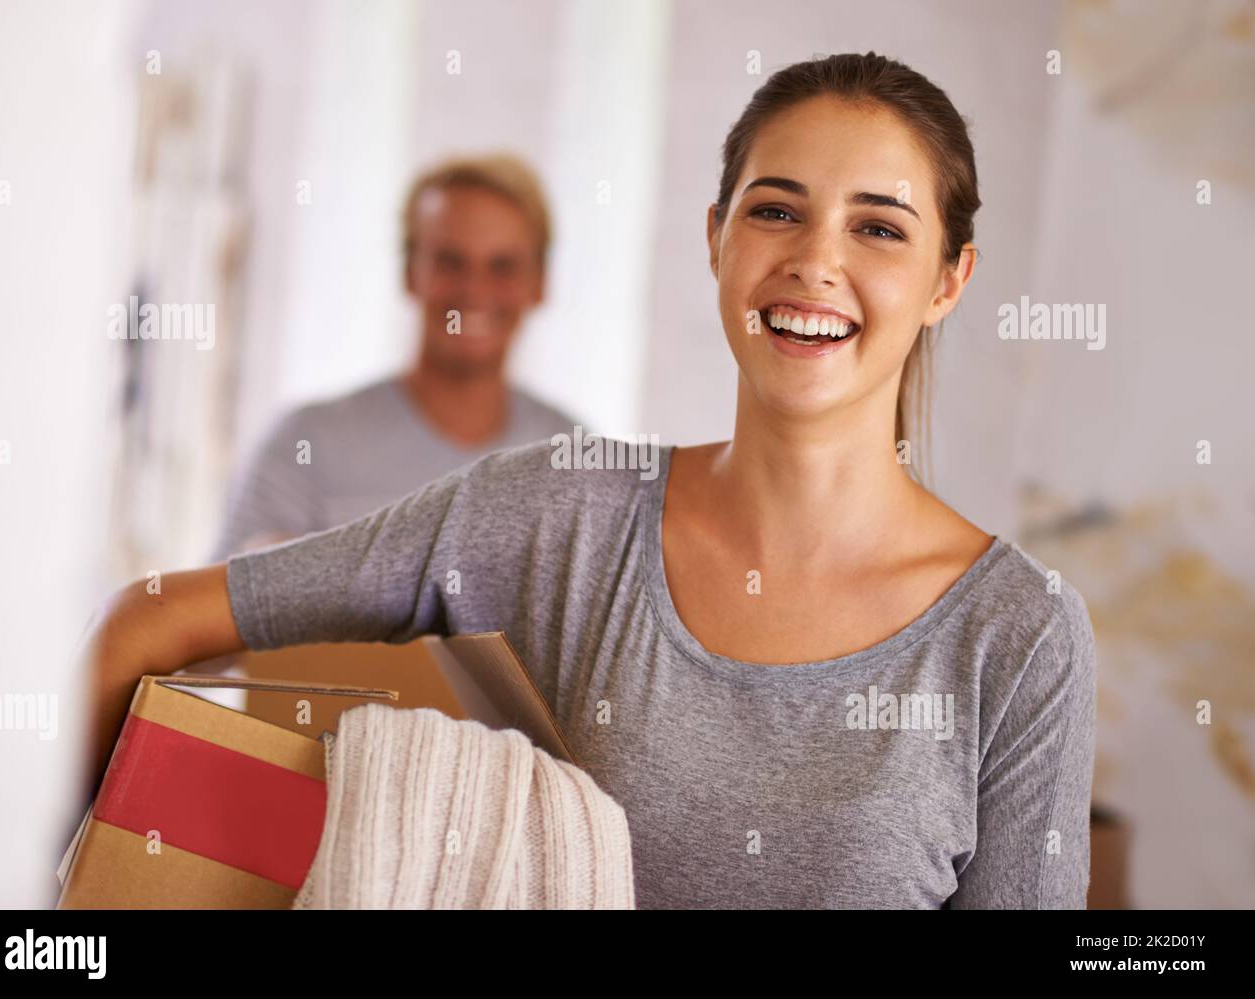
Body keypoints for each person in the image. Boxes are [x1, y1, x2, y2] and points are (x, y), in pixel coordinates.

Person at [80, 53, 1097, 909]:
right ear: (716, 237)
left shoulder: (1018, 637)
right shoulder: (552, 513)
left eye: (878, 227)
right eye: (776, 210)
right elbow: (144, 620)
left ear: (948, 281)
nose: (815, 262)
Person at [211, 153, 582, 559]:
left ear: (541, 283)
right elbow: (217, 611)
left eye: (502, 266)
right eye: (449, 262)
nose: (473, 291)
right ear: (409, 272)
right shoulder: (306, 444)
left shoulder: (573, 459)